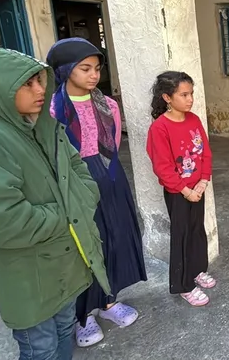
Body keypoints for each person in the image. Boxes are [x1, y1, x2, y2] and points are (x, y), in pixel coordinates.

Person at [0, 47, 110, 360]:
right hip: (29, 275)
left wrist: (82, 200)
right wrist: (68, 213)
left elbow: (79, 172)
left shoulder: (41, 125)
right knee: (41, 349)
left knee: (64, 334)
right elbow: (3, 220)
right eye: (27, 84)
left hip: (64, 265)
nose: (39, 90)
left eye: (40, 81)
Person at [46, 38, 147, 347]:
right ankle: (83, 315)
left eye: (97, 68)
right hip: (73, 181)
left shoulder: (108, 106)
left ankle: (108, 302)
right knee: (84, 245)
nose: (94, 75)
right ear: (65, 70)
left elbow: (112, 146)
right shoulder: (53, 110)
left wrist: (104, 175)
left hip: (110, 176)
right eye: (85, 68)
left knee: (114, 237)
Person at [146, 71, 216, 307]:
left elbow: (205, 153)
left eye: (191, 94)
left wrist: (203, 181)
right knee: (182, 235)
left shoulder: (193, 120)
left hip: (198, 188)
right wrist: (186, 191)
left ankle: (196, 270)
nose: (190, 99)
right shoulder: (160, 128)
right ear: (167, 97)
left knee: (197, 231)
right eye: (184, 95)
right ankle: (183, 285)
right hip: (179, 193)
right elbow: (163, 167)